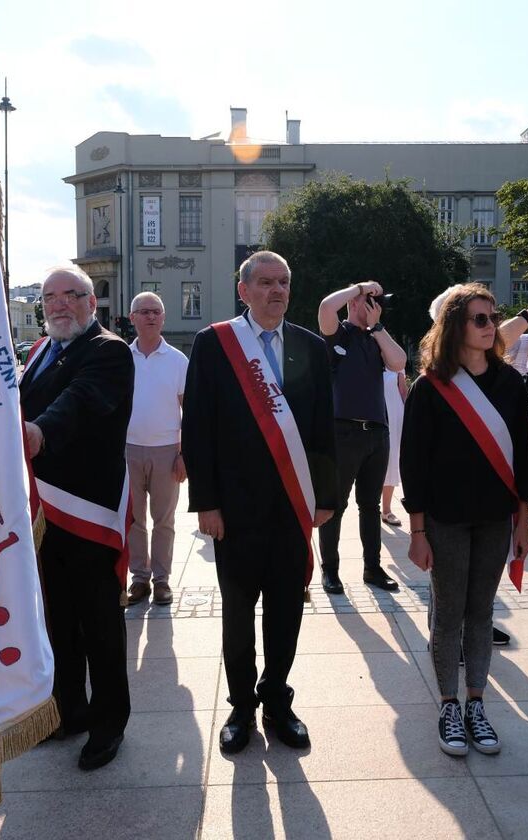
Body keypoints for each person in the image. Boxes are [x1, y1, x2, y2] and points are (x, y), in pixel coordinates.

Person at [183, 250, 336, 754]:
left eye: (284, 282)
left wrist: (326, 498)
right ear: (243, 290)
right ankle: (241, 707)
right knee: (237, 613)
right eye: (266, 282)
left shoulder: (311, 348)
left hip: (294, 506)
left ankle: (277, 701)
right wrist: (206, 502)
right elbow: (197, 428)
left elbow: (321, 431)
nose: (277, 290)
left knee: (286, 610)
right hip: (235, 509)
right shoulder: (215, 344)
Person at [401, 283, 528, 757]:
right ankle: (448, 705)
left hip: (496, 519)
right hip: (446, 520)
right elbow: (413, 464)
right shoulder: (430, 386)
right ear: (455, 325)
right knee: (449, 614)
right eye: (480, 318)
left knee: (482, 614)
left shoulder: (510, 383)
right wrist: (417, 532)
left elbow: (522, 461)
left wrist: (523, 523)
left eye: (492, 317)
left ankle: (477, 701)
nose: (490, 327)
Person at [21, 266, 133, 771]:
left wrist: (40, 433)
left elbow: (81, 401)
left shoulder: (108, 350)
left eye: (71, 295)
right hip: (44, 511)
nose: (59, 305)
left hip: (88, 511)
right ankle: (70, 710)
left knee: (99, 623)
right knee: (58, 620)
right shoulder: (40, 352)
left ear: (93, 302)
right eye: (50, 297)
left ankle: (109, 723)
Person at [316, 281, 408, 594]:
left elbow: (398, 363)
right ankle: (330, 570)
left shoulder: (376, 337)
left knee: (369, 506)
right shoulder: (338, 333)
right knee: (335, 505)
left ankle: (373, 568)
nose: (378, 306)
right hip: (342, 432)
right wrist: (357, 287)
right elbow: (326, 308)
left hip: (376, 433)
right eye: (373, 301)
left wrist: (377, 326)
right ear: (357, 302)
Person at [124, 291, 188, 607]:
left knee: (164, 520)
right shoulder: (120, 357)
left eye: (156, 312)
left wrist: (183, 453)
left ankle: (162, 581)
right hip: (128, 452)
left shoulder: (178, 361)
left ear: (163, 318)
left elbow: (190, 411)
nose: (150, 316)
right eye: (143, 311)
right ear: (132, 317)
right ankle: (139, 580)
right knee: (134, 520)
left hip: (166, 452)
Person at [380, 369, 407, 527]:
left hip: (395, 415)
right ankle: (370, 507)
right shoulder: (367, 356)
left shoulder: (397, 363)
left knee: (391, 461)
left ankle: (387, 510)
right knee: (374, 464)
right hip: (374, 414)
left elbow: (403, 391)